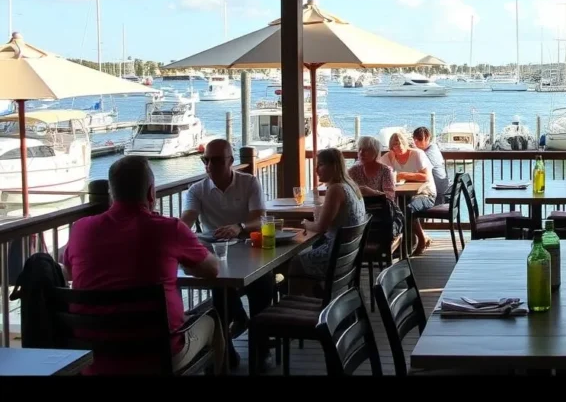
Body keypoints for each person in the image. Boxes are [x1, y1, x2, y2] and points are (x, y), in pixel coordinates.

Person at [63, 156, 225, 375]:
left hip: (94, 358)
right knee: (211, 320)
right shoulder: (169, 229)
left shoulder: (81, 229)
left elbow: (71, 271)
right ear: (151, 192)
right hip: (157, 355)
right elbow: (212, 269)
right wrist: (189, 262)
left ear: (112, 194)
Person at [181, 139, 274, 370]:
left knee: (263, 286)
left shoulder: (249, 182)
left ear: (230, 161)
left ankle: (260, 351)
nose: (210, 165)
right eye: (206, 160)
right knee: (219, 293)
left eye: (216, 160)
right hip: (216, 255)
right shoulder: (197, 190)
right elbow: (185, 222)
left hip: (249, 249)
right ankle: (226, 353)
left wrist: (239, 226)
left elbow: (259, 218)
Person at [290, 148, 367, 288]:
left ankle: (302, 303)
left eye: (320, 165)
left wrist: (305, 223)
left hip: (335, 256)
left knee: (294, 263)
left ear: (334, 166)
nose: (316, 169)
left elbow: (320, 228)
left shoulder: (336, 189)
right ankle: (315, 296)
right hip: (348, 255)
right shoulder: (351, 185)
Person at [380, 132, 436, 255]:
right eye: (395, 144)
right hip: (403, 194)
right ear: (391, 146)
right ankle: (400, 243)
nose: (398, 146)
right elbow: (380, 170)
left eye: (401, 143)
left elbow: (425, 176)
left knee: (408, 209)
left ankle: (418, 240)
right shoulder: (389, 157)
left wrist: (400, 175)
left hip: (426, 193)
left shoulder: (417, 154)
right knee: (392, 209)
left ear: (406, 143)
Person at [347, 136, 402, 239]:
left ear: (375, 152)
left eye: (366, 150)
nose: (361, 153)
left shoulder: (385, 170)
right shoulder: (353, 171)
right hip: (359, 213)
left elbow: (390, 196)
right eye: (360, 149)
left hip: (381, 214)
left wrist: (370, 192)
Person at [412, 126, 449, 207]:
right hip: (440, 189)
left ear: (428, 138)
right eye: (414, 138)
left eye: (419, 139)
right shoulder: (432, 147)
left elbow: (416, 168)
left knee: (411, 203)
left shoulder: (429, 153)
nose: (416, 141)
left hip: (438, 193)